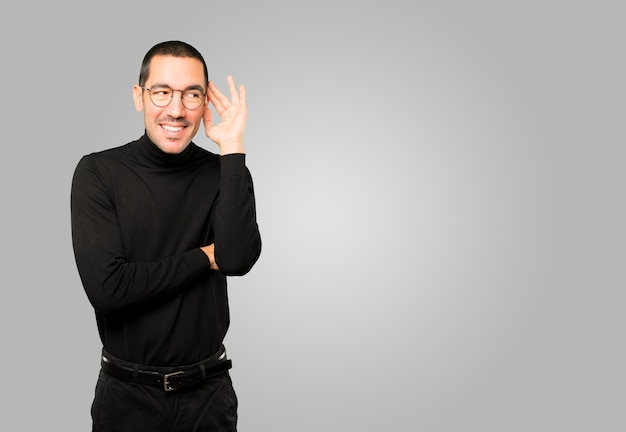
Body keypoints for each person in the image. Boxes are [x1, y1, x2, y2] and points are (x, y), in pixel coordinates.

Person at [70, 40, 261, 431]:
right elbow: (108, 289)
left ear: (205, 101)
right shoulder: (98, 174)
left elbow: (238, 258)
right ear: (139, 96)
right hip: (127, 397)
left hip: (208, 394)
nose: (176, 110)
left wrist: (233, 148)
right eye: (162, 92)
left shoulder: (223, 172)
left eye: (192, 95)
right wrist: (204, 257)